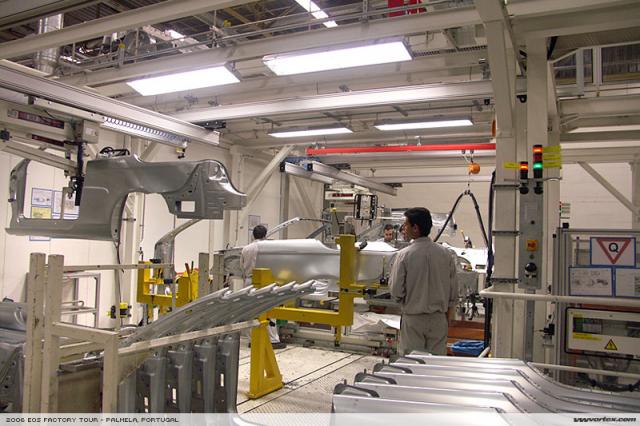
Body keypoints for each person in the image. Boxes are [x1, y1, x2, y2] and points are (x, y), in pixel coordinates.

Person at [389, 208, 458, 356]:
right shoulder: (446, 255)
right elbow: (453, 291)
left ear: (415, 228)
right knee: (436, 363)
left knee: (412, 363)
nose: (403, 228)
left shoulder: (404, 255)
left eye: (406, 224)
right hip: (438, 320)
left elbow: (396, 290)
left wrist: (403, 300)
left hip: (413, 319)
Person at [240, 225, 285, 349]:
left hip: (249, 282)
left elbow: (241, 266)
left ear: (253, 235)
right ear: (265, 235)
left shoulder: (246, 249)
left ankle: (253, 340)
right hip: (265, 282)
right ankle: (272, 340)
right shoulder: (269, 248)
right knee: (268, 310)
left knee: (251, 312)